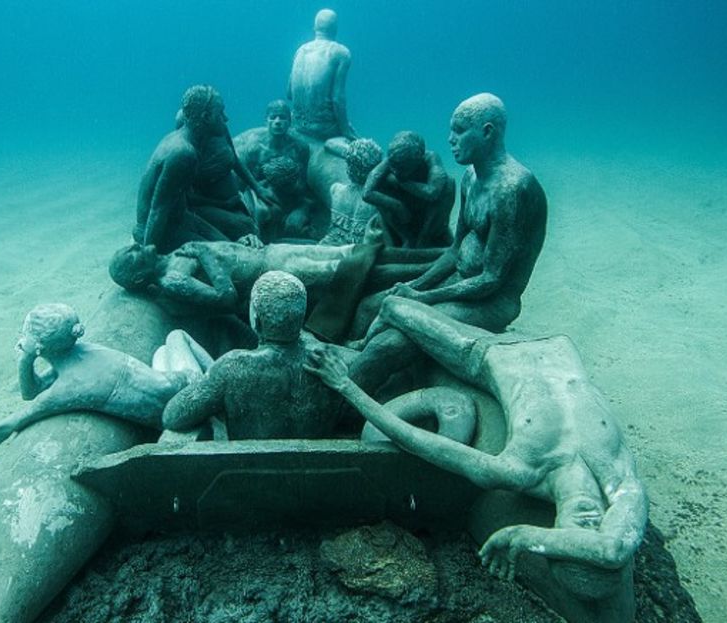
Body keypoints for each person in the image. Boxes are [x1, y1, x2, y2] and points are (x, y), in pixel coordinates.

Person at [305, 295, 648, 580]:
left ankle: (350, 346)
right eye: (594, 530)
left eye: (573, 535)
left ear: (556, 528)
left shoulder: (517, 471)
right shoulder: (619, 479)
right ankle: (360, 342)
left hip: (484, 353)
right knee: (392, 307)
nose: (588, 524)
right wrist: (529, 538)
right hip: (556, 346)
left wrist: (345, 385)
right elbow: (613, 549)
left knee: (394, 307)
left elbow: (414, 438)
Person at [350, 93, 547, 388]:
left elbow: (492, 280)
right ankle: (372, 373)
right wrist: (412, 287)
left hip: (492, 301)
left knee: (391, 342)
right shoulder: (470, 177)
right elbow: (455, 251)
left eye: (459, 130)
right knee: (369, 305)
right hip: (460, 282)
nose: (450, 139)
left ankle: (346, 403)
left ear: (487, 132)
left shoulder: (512, 190)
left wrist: (423, 298)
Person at [0, 304, 210, 489]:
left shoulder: (67, 388)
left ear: (39, 345)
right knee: (167, 347)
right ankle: (212, 378)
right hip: (173, 388)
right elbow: (32, 392)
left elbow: (7, 425)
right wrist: (26, 361)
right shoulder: (81, 352)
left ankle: (214, 384)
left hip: (185, 398)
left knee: (175, 337)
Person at [162, 272, 344, 439]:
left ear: (256, 319)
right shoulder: (331, 365)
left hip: (244, 472)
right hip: (311, 470)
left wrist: (207, 388)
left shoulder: (232, 366)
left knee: (167, 351)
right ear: (300, 318)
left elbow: (171, 416)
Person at [109, 238, 441, 320]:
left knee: (360, 251)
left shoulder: (174, 256)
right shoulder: (173, 281)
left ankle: (441, 254)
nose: (137, 246)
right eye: (132, 254)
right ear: (138, 276)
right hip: (274, 272)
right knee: (355, 271)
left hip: (271, 253)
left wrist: (244, 240)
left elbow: (223, 253)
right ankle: (435, 269)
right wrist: (205, 255)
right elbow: (225, 299)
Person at [134, 85, 266, 253]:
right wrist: (148, 253)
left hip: (181, 218)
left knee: (237, 240)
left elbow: (177, 204)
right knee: (232, 253)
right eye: (220, 113)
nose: (225, 118)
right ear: (206, 117)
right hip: (163, 230)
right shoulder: (183, 153)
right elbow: (158, 209)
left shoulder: (182, 141)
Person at [362, 131, 455, 248]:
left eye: (401, 167)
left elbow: (432, 192)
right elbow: (367, 192)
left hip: (424, 209)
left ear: (417, 159)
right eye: (393, 165)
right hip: (402, 216)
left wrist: (401, 182)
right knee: (382, 184)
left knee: (448, 184)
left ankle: (424, 239)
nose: (395, 171)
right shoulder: (391, 160)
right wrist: (397, 205)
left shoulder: (431, 158)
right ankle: (405, 237)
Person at [287, 9, 357, 142]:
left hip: (297, 126)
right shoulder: (341, 53)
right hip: (324, 129)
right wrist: (346, 131)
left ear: (314, 27)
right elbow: (338, 99)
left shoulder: (300, 50)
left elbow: (289, 93)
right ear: (335, 29)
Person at [233, 100, 312, 192]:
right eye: (273, 117)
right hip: (260, 195)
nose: (277, 122)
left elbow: (303, 183)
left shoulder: (300, 148)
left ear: (290, 121)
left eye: (282, 117)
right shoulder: (255, 148)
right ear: (266, 121)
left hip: (290, 195)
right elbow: (245, 182)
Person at [320, 138, 384, 245]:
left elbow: (330, 143)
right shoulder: (378, 202)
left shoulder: (335, 190)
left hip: (326, 247)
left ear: (348, 167)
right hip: (358, 253)